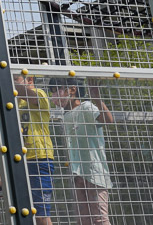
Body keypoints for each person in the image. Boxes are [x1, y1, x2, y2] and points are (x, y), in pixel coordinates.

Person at [0, 73, 55, 225]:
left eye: (15, 79)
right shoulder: (9, 100)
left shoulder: (39, 95)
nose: (9, 83)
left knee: (40, 215)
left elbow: (28, 95)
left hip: (38, 158)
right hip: (13, 157)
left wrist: (3, 79)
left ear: (30, 80)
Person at [50, 78, 114, 225]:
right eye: (52, 92)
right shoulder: (65, 115)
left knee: (100, 219)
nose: (55, 95)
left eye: (58, 90)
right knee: (83, 220)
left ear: (72, 89)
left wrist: (96, 98)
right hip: (77, 173)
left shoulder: (86, 107)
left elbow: (107, 119)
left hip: (94, 172)